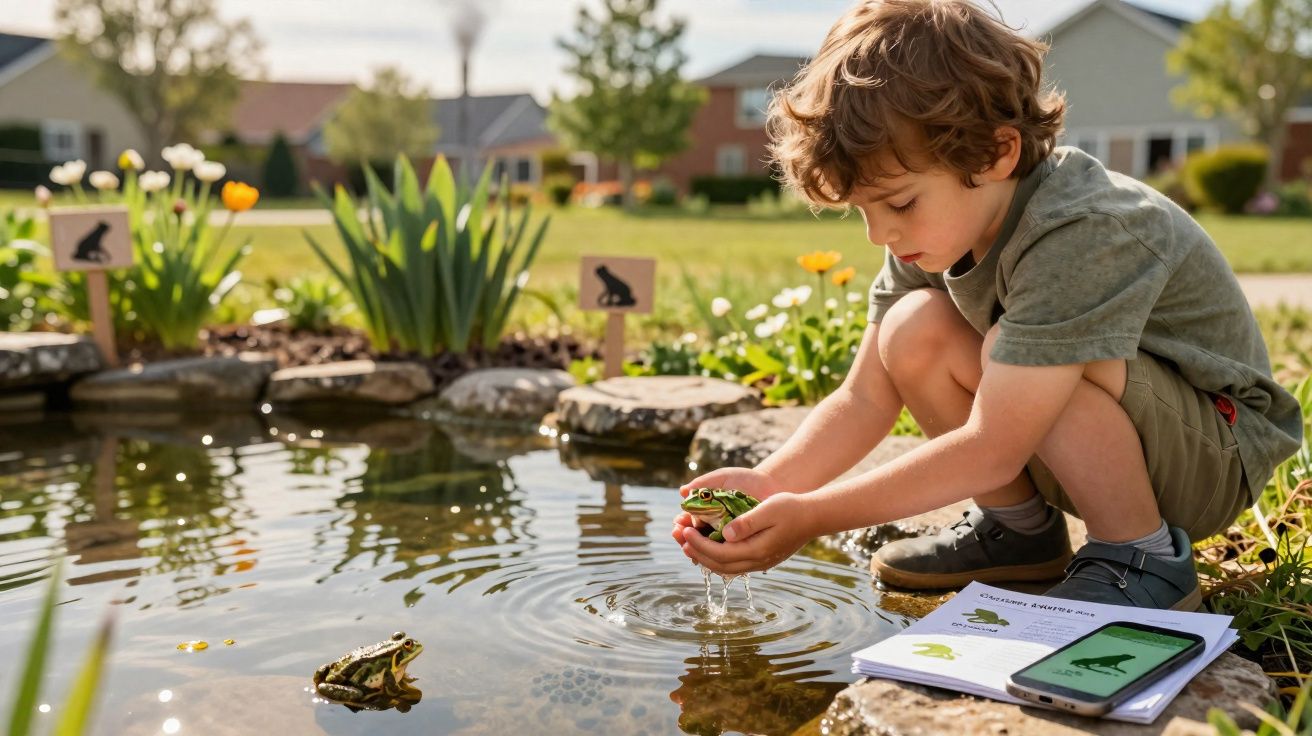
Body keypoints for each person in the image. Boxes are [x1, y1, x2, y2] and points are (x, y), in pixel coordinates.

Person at [672, 0, 1303, 610]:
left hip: (1215, 454)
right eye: (863, 211)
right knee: (911, 329)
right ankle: (1021, 532)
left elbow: (996, 443)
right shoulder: (935, 230)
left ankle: (1143, 558)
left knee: (1017, 350)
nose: (878, 234)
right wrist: (773, 485)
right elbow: (864, 397)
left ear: (997, 153)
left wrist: (812, 516)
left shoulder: (1082, 227)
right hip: (1117, 432)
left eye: (898, 203)